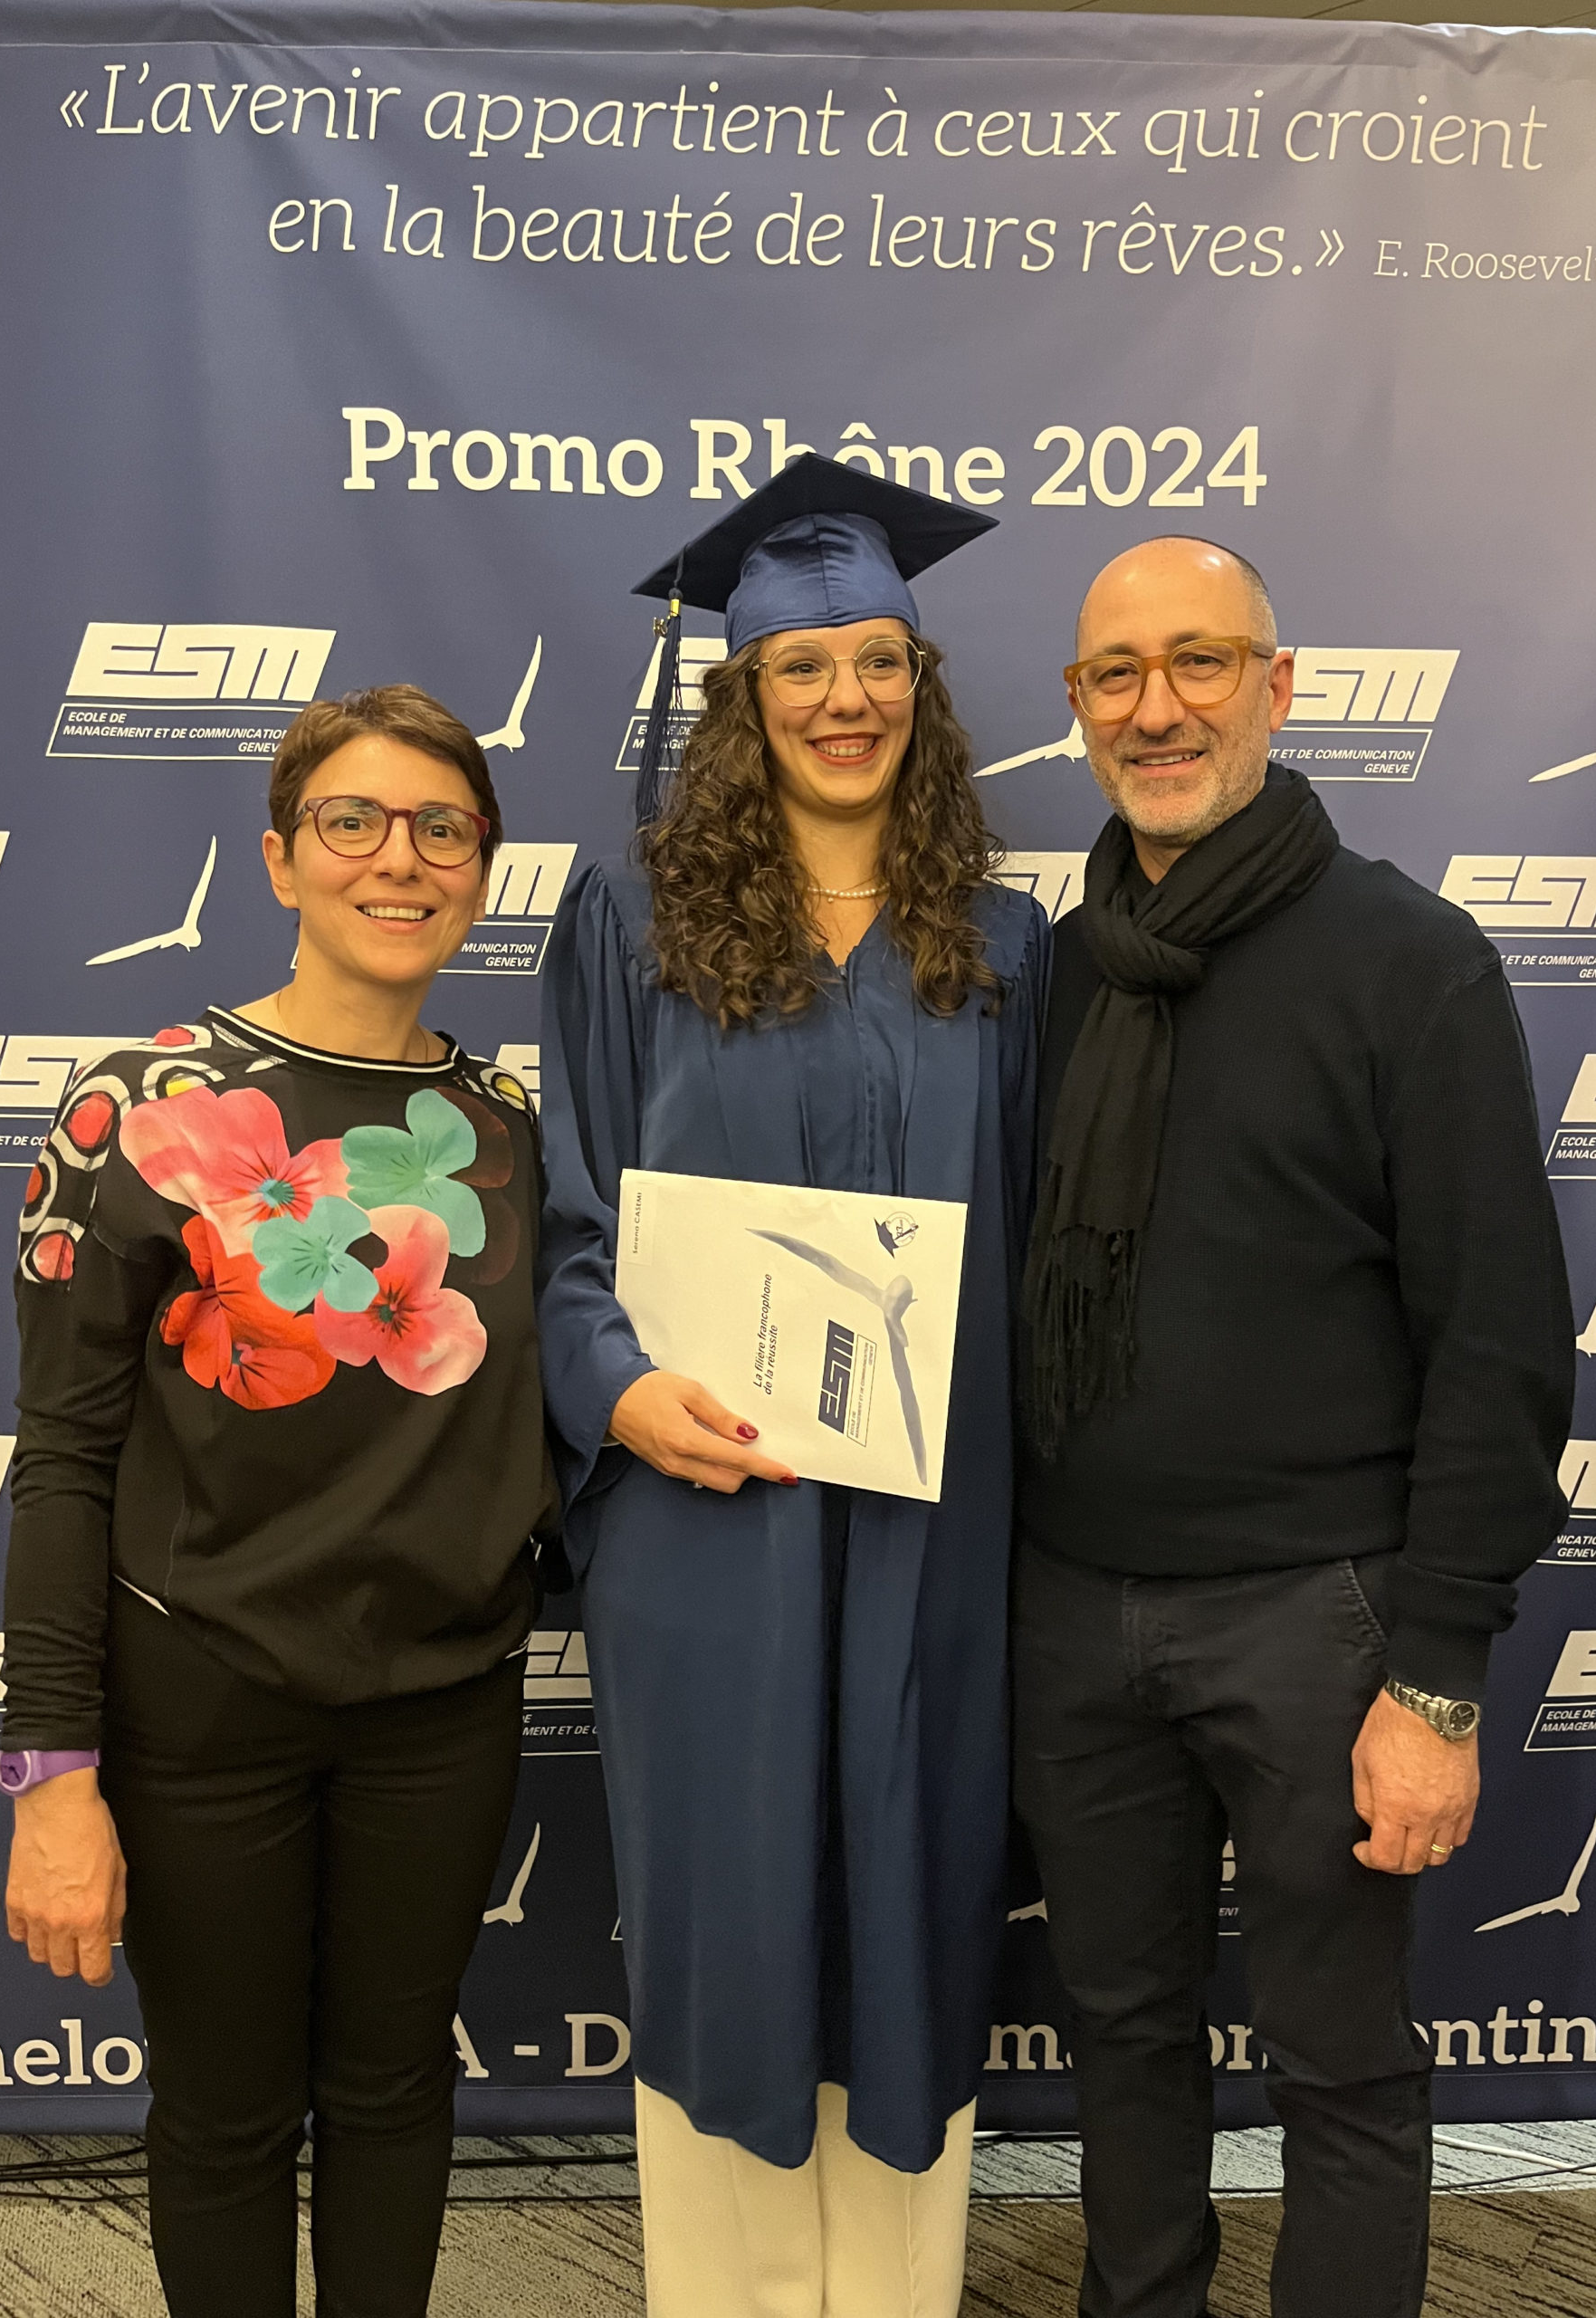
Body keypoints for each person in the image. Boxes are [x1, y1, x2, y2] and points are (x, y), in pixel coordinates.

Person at [1013, 539, 1574, 2318]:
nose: (1157, 706)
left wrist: (1438, 1681)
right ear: (1077, 706)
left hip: (1318, 1620)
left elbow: (1499, 1344)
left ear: (1278, 683)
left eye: (1200, 660)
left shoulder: (1411, 961)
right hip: (1068, 1608)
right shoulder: (1051, 975)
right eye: (1117, 673)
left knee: (1338, 2058)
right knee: (1120, 2036)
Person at [537, 455, 1048, 2318]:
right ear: (742, 696)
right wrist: (617, 1396)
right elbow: (570, 1223)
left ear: (922, 683)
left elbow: (1042, 1252)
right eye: (802, 666)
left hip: (933, 1526)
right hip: (709, 1512)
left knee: (911, 1896)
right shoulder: (631, 919)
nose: (847, 697)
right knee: (734, 1916)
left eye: (879, 661)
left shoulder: (1002, 946)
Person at [0, 685, 558, 2318]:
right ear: (279, 859)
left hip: (444, 1705)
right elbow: (62, 1459)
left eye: (442, 829)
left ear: (481, 869)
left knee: (395, 2094)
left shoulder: (514, 1130)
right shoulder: (136, 1113)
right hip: (202, 1700)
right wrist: (50, 1775)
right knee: (227, 2118)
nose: (400, 858)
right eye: (353, 822)